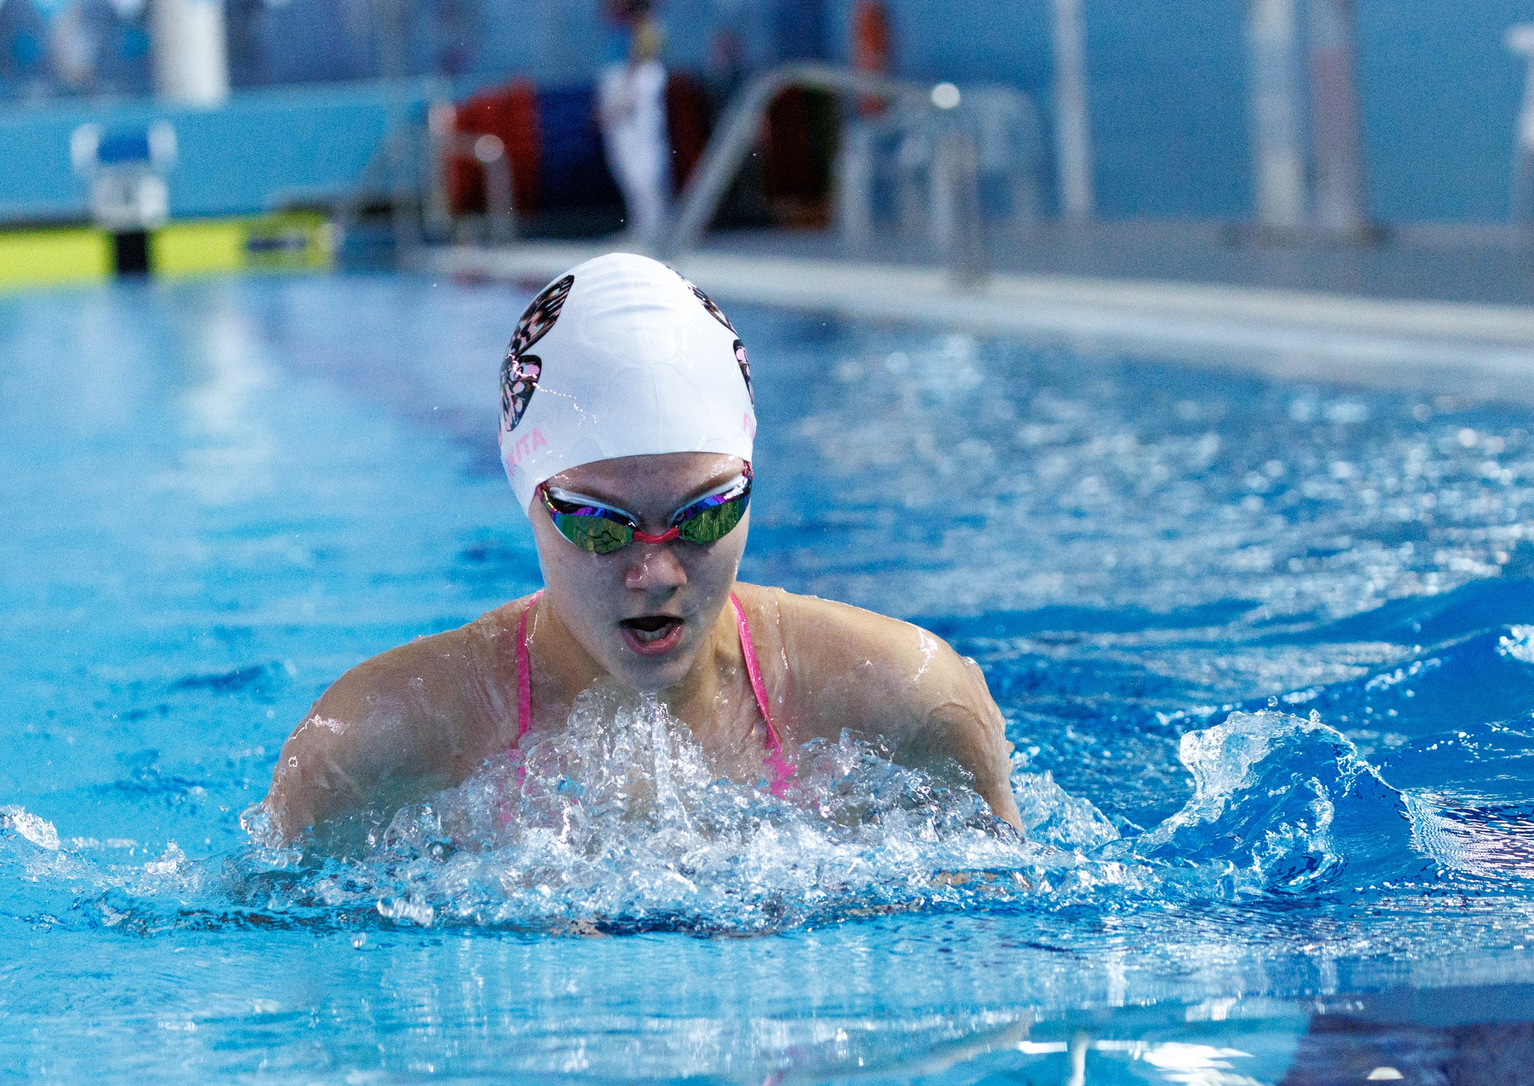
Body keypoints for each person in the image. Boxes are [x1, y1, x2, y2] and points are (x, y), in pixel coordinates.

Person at [262, 253, 1021, 848]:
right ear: (528, 497)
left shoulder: (910, 704)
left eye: (703, 516)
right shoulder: (372, 748)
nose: (654, 571)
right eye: (600, 524)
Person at [596, 3, 671, 246]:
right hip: (625, 84)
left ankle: (654, 227)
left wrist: (625, 94)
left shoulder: (645, 27)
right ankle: (644, 224)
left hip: (634, 87)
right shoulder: (621, 30)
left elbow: (642, 66)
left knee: (643, 163)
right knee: (626, 163)